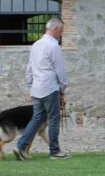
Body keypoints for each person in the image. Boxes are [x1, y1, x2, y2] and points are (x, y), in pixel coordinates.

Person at [14, 18, 70, 161]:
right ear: (55, 29)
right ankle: (54, 151)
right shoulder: (54, 46)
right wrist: (63, 88)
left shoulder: (36, 45)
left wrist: (30, 85)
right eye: (61, 30)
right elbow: (60, 70)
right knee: (53, 119)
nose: (61, 34)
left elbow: (29, 68)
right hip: (50, 87)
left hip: (37, 87)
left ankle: (20, 145)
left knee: (37, 118)